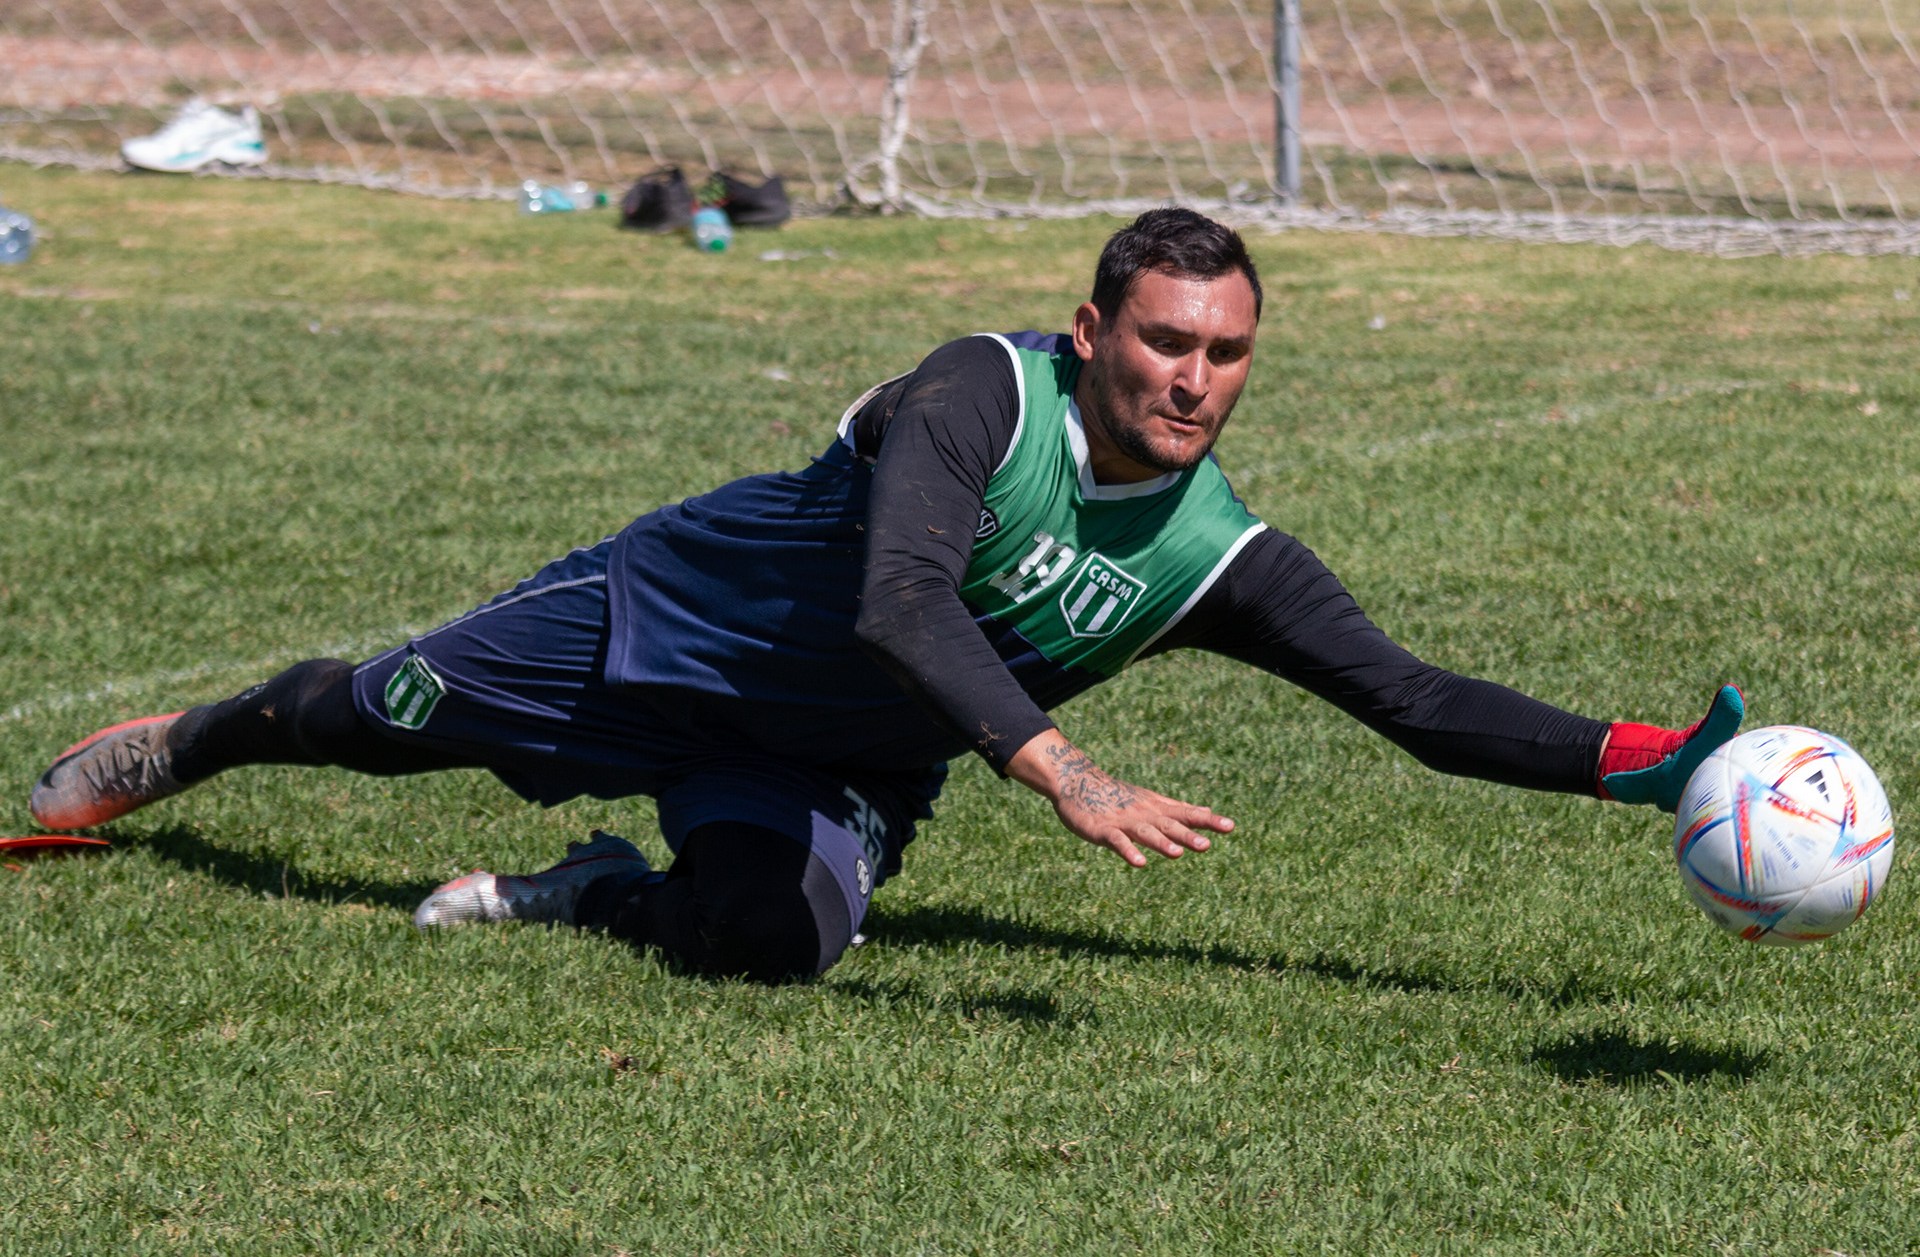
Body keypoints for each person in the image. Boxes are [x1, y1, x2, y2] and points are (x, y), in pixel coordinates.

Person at [27, 209, 1742, 984]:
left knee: (768, 944)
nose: (1194, 377)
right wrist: (1060, 771)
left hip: (822, 766)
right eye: (1163, 340)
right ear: (1095, 332)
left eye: (1226, 353)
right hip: (657, 630)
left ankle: (602, 892)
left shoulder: (1217, 554)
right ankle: (183, 749)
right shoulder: (974, 396)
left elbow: (1413, 700)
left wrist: (1653, 762)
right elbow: (901, 606)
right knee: (368, 723)